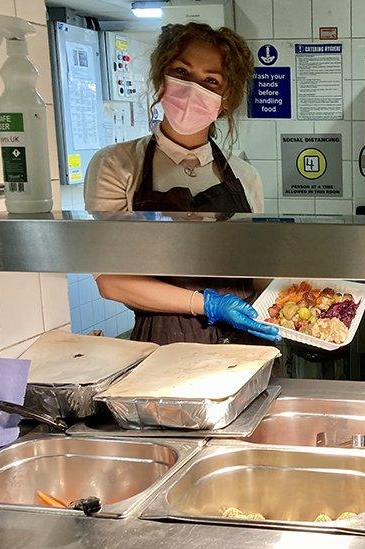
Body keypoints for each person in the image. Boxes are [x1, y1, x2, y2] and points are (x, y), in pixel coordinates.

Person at [84, 22, 278, 346]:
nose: (193, 89)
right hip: (164, 344)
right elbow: (112, 281)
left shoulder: (245, 177)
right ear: (162, 79)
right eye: (182, 71)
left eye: (210, 81)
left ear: (226, 99)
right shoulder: (116, 165)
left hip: (246, 342)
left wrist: (297, 300)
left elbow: (257, 272)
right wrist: (207, 304)